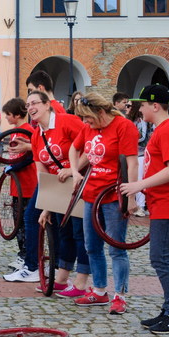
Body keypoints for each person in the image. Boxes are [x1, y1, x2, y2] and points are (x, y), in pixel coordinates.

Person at [120, 85, 169, 334]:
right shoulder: (163, 129)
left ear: (155, 105)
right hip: (165, 202)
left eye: (142, 105)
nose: (139, 109)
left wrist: (139, 185)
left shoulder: (168, 130)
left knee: (161, 258)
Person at [4, 91, 90, 298]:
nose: (31, 108)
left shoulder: (66, 122)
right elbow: (41, 172)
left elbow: (90, 145)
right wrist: (46, 205)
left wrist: (73, 169)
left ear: (47, 105)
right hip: (58, 185)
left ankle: (81, 281)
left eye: (35, 103)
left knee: (78, 232)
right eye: (28, 105)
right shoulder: (36, 135)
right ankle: (60, 277)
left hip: (79, 181)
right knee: (58, 228)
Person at [68, 93, 139, 313]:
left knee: (117, 248)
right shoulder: (89, 128)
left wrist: (131, 196)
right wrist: (75, 171)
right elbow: (74, 149)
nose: (85, 122)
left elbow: (132, 163)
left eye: (88, 118)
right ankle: (99, 291)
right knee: (92, 246)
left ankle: (120, 295)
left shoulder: (123, 127)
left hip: (113, 196)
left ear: (100, 112)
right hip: (91, 195)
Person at [0, 97, 37, 270]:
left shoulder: (27, 130)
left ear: (16, 114)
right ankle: (22, 253)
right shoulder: (15, 131)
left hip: (27, 184)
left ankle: (27, 255)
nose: (6, 118)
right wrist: (9, 165)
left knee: (25, 223)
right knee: (18, 222)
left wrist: (13, 167)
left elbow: (30, 156)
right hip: (17, 184)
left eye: (8, 114)